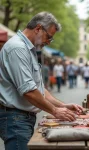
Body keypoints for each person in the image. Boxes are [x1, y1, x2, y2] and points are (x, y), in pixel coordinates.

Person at [0, 12, 83, 150]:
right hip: (15, 118)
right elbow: (29, 91)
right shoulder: (18, 48)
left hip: (20, 119)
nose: (48, 42)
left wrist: (63, 106)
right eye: (48, 37)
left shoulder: (28, 49)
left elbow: (38, 89)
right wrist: (55, 111)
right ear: (38, 28)